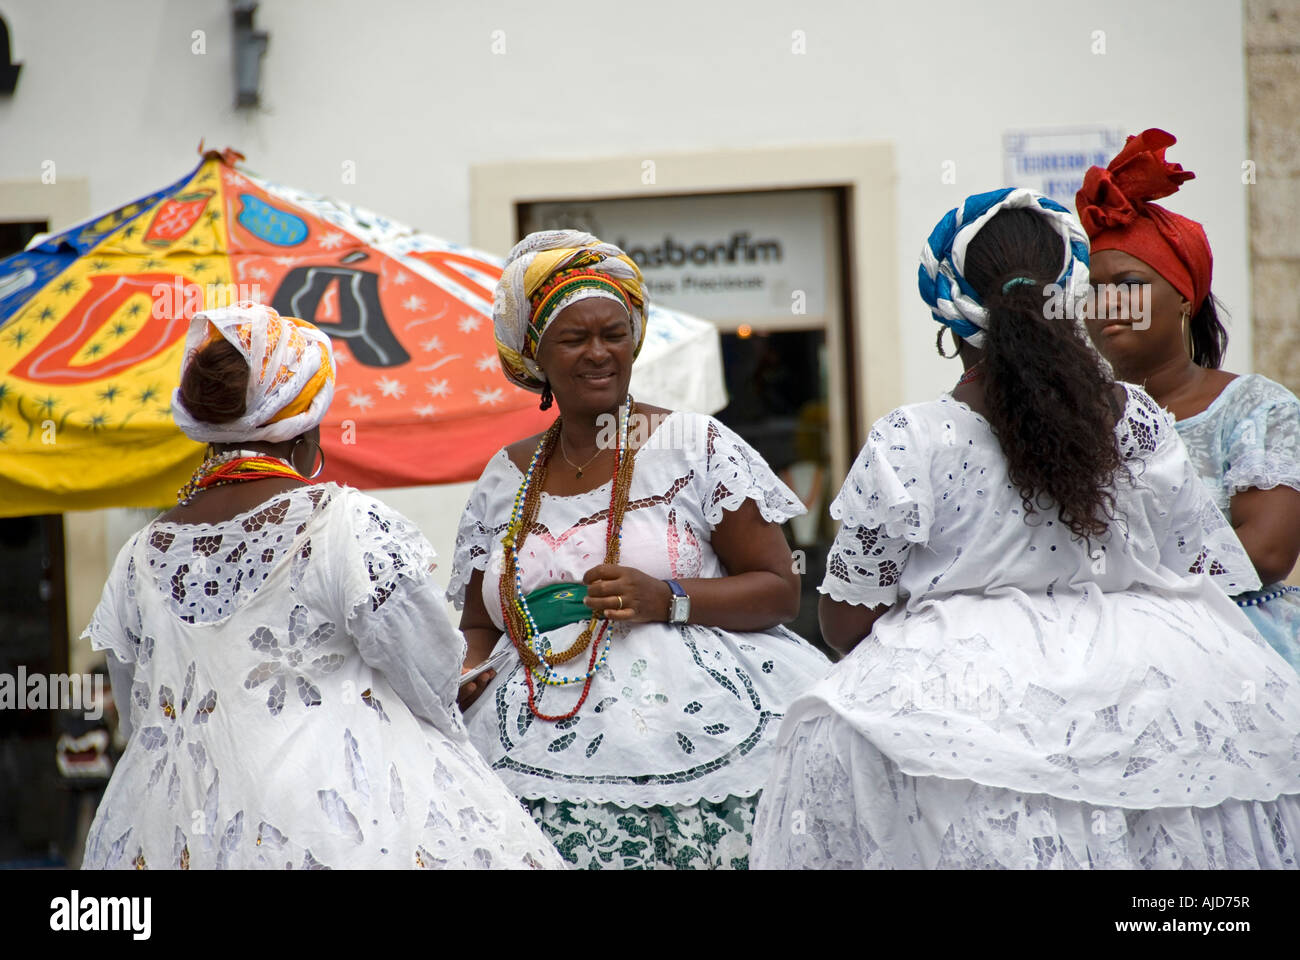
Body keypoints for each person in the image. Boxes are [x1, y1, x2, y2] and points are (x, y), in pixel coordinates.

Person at [751, 189, 1300, 869]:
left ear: (948, 320)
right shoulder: (1134, 418)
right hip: (1154, 684)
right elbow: (1205, 571)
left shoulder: (912, 438)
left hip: (958, 702)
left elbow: (843, 622)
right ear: (1067, 299)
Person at [81, 302, 564, 870]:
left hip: (171, 830)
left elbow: (140, 709)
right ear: (302, 429)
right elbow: (434, 669)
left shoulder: (139, 555)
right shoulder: (342, 525)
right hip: (338, 821)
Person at [450, 230, 830, 870]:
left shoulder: (691, 445)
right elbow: (477, 621)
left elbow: (778, 586)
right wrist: (464, 676)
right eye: (574, 339)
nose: (599, 354)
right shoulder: (506, 475)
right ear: (535, 353)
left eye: (614, 334)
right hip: (526, 742)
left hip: (692, 732)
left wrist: (670, 599)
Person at [1078, 129, 1300, 669]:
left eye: (1127, 282)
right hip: (1102, 660)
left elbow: (1267, 553)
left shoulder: (1254, 410)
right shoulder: (1074, 421)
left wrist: (1125, 585)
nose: (1108, 303)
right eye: (1093, 287)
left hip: (1234, 659)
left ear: (1183, 297)